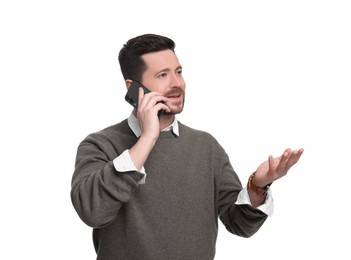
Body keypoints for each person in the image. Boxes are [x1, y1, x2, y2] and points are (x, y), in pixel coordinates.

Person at [70, 33, 304, 260]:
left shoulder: (207, 147)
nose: (177, 84)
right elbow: (92, 212)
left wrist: (258, 186)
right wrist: (148, 138)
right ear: (134, 88)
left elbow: (239, 223)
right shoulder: (99, 144)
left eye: (178, 72)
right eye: (162, 75)